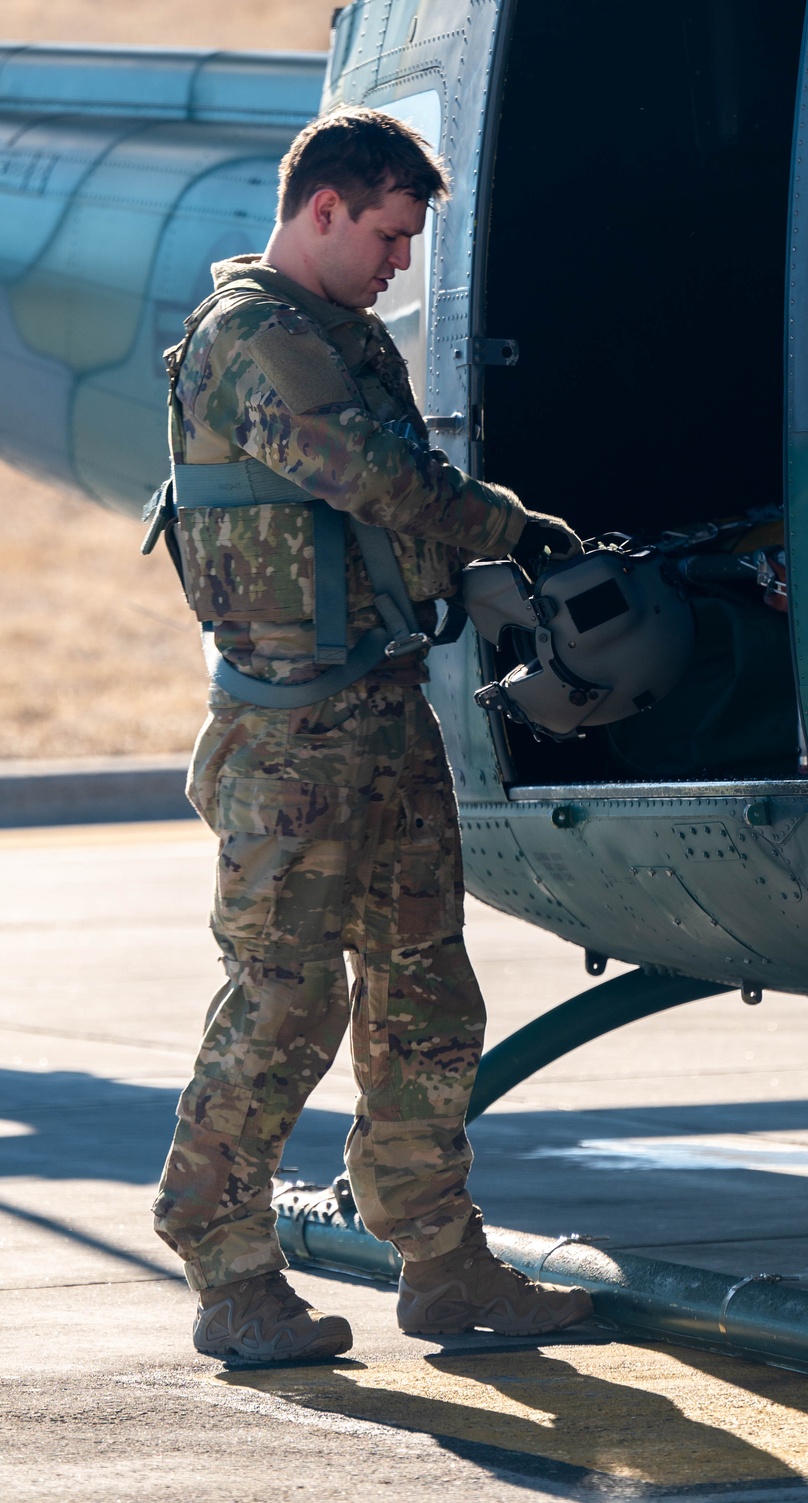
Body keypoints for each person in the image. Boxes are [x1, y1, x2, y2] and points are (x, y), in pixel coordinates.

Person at [149, 106, 594, 1364]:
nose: (401, 265)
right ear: (324, 208)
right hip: (291, 738)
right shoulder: (254, 336)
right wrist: (510, 525)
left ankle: (441, 1261)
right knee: (284, 1001)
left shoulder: (336, 335)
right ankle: (227, 1267)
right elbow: (372, 480)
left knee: (425, 997)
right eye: (390, 236)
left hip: (382, 711)